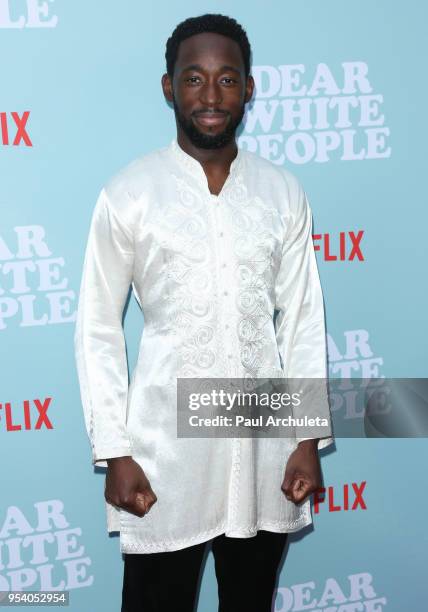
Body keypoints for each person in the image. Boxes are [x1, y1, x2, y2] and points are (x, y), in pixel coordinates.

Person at [74, 13, 334, 612]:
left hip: (266, 452)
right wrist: (115, 451)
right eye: (194, 79)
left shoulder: (282, 192)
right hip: (163, 461)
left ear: (249, 88)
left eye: (227, 79)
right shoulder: (129, 193)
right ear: (168, 87)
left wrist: (305, 440)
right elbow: (96, 327)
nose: (211, 96)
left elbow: (301, 319)